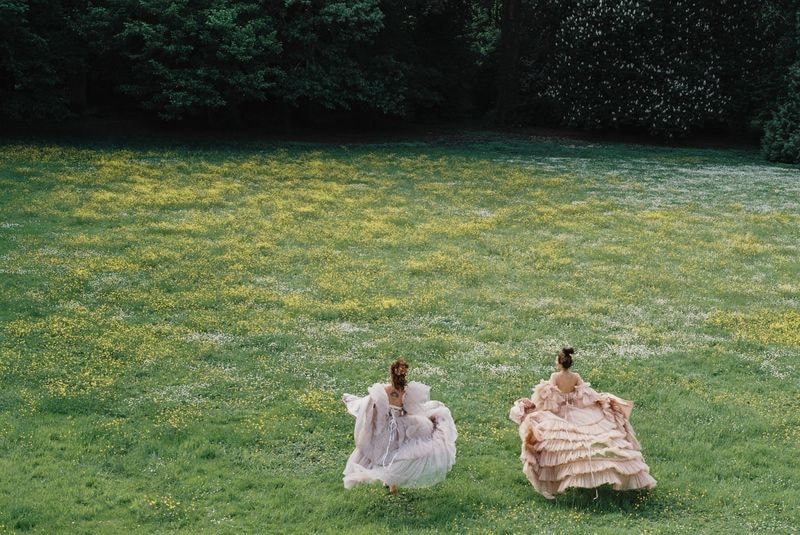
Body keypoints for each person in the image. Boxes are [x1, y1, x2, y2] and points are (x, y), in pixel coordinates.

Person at [509, 347, 656, 499]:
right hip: (577, 411)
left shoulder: (554, 377)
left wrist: (535, 406)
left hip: (561, 413)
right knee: (589, 437)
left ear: (560, 363)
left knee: (566, 443)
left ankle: (565, 477)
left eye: (556, 360)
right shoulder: (576, 376)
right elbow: (585, 395)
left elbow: (549, 398)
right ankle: (595, 472)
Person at [342, 358, 457, 494]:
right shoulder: (397, 391)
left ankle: (390, 483)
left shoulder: (390, 391)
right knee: (392, 454)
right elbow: (401, 410)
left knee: (391, 454)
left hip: (392, 426)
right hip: (395, 427)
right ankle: (390, 483)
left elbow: (387, 411)